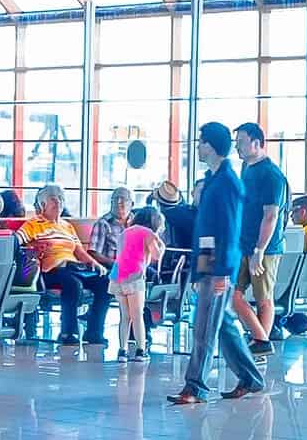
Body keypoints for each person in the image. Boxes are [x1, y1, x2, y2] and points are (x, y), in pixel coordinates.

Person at [170, 122, 261, 405]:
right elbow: (206, 229)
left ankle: (195, 387)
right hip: (210, 265)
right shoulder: (212, 180)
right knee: (223, 326)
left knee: (204, 328)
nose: (197, 146)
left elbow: (229, 232)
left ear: (211, 146)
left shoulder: (227, 184)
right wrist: (201, 269)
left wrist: (221, 271)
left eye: (201, 142)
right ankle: (250, 378)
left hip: (219, 268)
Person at [21, 184, 110, 347]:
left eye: (61, 200)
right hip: (49, 271)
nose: (59, 203)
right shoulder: (33, 224)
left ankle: (95, 331)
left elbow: (79, 251)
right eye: (54, 200)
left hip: (73, 267)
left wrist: (96, 264)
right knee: (72, 284)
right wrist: (32, 249)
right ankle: (68, 332)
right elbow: (16, 241)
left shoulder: (66, 226)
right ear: (42, 205)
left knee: (105, 283)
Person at [231, 123, 289, 355]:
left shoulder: (272, 175)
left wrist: (259, 250)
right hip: (243, 243)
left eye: (242, 142)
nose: (238, 148)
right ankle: (261, 340)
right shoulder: (247, 168)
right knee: (232, 294)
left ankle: (260, 343)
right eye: (236, 143)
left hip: (264, 248)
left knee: (263, 298)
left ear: (257, 143)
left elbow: (271, 215)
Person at [114, 204, 166, 361]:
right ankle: (140, 351)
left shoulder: (125, 232)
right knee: (137, 316)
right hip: (135, 277)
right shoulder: (148, 233)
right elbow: (156, 256)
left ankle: (122, 351)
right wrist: (161, 245)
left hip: (117, 277)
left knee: (125, 316)